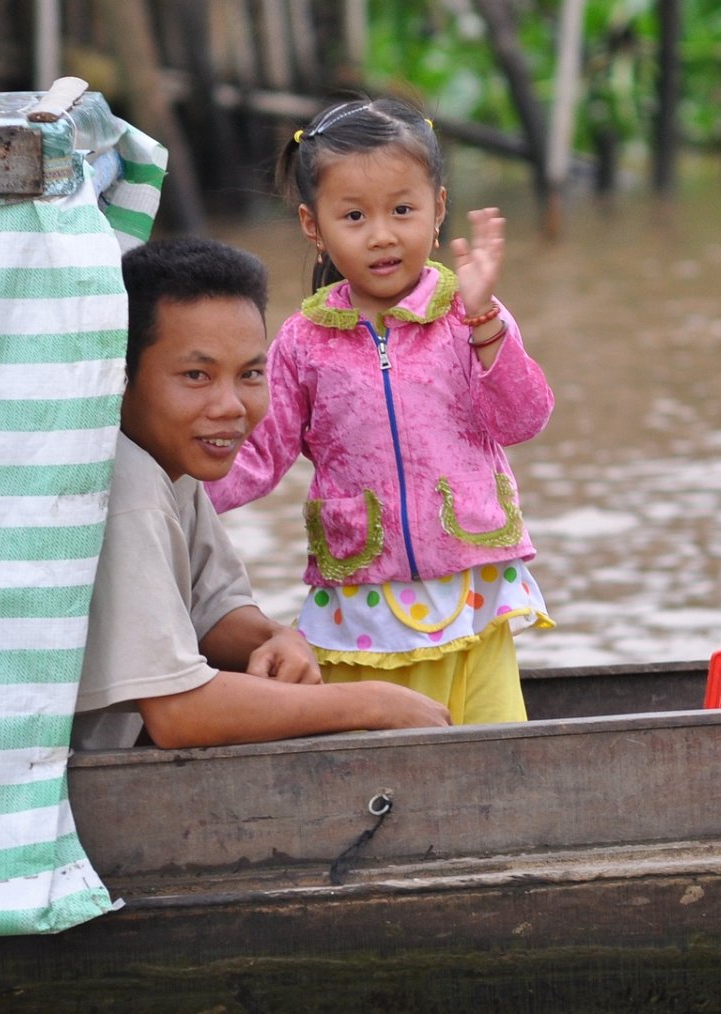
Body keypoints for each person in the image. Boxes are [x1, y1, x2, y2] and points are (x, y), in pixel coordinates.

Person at [205, 96, 554, 726]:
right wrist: (170, 491)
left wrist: (484, 322)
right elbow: (259, 455)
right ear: (315, 227)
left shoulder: (467, 316)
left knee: (494, 747)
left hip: (470, 589)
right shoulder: (302, 343)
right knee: (371, 752)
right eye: (354, 216)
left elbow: (522, 419)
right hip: (359, 601)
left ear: (438, 208)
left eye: (402, 209)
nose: (383, 234)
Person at [71, 237, 451, 751]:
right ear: (120, 375)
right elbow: (181, 713)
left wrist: (275, 637)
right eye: (196, 376)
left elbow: (213, 611)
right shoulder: (126, 487)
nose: (230, 406)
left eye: (250, 373)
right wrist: (374, 703)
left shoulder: (173, 466)